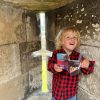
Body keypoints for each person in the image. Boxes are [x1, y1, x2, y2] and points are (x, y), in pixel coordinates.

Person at [48, 26, 95, 100]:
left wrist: (87, 65)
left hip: (70, 94)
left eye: (75, 37)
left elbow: (87, 71)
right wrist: (54, 67)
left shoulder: (78, 56)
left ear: (77, 41)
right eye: (68, 37)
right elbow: (49, 65)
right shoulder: (56, 53)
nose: (72, 39)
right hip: (57, 93)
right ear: (61, 41)